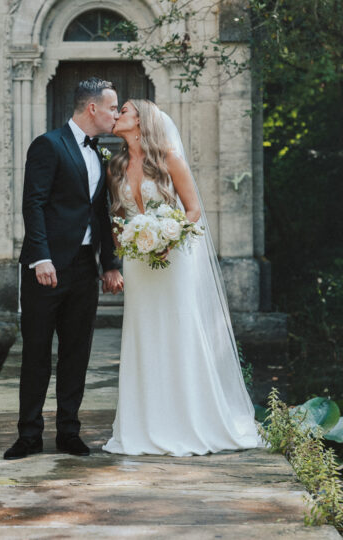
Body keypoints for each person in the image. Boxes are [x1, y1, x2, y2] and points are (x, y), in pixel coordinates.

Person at [102, 99, 262, 456]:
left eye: (124, 111)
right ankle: (144, 424)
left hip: (174, 261)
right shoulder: (116, 166)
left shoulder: (169, 159)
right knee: (144, 335)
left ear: (141, 121)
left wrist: (168, 239)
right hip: (138, 264)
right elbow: (116, 216)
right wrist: (124, 244)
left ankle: (190, 420)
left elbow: (192, 211)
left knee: (179, 331)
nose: (117, 116)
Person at [6, 78, 125, 460]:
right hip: (46, 268)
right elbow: (34, 204)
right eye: (112, 108)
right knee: (37, 352)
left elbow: (100, 214)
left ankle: (68, 432)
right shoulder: (48, 145)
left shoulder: (101, 154)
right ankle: (28, 435)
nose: (116, 114)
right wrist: (41, 257)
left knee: (77, 352)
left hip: (83, 269)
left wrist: (109, 263)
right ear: (92, 109)